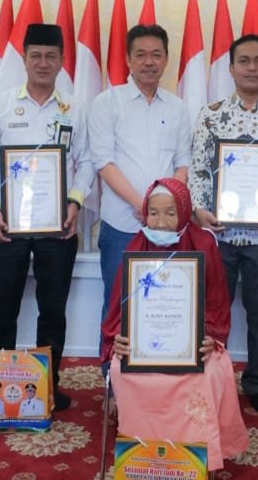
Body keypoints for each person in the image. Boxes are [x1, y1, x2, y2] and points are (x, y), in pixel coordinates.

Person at [0, 24, 94, 412]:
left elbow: (86, 162)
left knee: (53, 310)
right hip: (6, 226)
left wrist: (74, 201)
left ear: (62, 61)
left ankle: (46, 386)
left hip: (58, 227)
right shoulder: (1, 105)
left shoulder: (75, 108)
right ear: (23, 59)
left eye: (51, 56)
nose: (43, 63)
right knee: (3, 308)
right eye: (36, 56)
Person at [189, 35, 258, 413]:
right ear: (231, 67)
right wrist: (200, 209)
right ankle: (208, 381)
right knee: (210, 315)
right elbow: (199, 169)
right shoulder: (211, 115)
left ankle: (256, 382)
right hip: (218, 236)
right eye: (244, 61)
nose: (252, 68)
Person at [101, 178, 248, 472]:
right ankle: (141, 454)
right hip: (145, 347)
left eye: (170, 213)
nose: (161, 222)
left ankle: (196, 456)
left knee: (208, 371)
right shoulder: (137, 245)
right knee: (119, 366)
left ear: (183, 211)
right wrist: (119, 337)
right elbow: (119, 305)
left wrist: (210, 337)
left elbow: (217, 302)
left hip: (193, 344)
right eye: (153, 213)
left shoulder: (204, 243)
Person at [89, 24, 193, 322]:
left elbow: (183, 162)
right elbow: (104, 163)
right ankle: (111, 356)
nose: (149, 62)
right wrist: (143, 206)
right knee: (117, 306)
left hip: (167, 228)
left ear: (166, 59)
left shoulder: (177, 108)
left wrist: (166, 209)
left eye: (156, 55)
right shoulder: (107, 103)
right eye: (141, 55)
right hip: (122, 225)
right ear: (128, 59)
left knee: (161, 307)